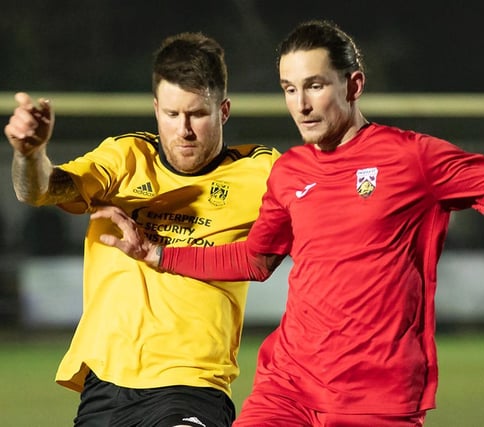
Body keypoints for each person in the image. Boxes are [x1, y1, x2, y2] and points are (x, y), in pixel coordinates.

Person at [93, 21, 484, 426]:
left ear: (353, 84)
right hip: (289, 384)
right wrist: (158, 255)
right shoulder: (290, 171)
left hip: (376, 393)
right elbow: (256, 259)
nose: (300, 104)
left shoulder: (411, 158)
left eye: (314, 86)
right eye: (288, 88)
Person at [4, 32, 280, 427]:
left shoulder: (260, 171)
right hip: (104, 388)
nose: (183, 130)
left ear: (224, 110)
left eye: (197, 114)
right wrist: (29, 154)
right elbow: (39, 190)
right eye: (171, 115)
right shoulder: (124, 158)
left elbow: (327, 219)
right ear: (155, 109)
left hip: (194, 386)